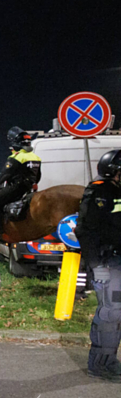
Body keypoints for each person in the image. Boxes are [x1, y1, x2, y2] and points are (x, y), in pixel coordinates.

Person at [75, 149, 121, 381]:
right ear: (113, 172)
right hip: (108, 263)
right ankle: (100, 364)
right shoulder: (99, 192)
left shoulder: (116, 192)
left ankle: (109, 361)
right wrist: (96, 264)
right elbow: (84, 230)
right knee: (111, 313)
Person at [0, 126, 42, 240]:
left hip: (16, 188)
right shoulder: (36, 157)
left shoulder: (16, 157)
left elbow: (4, 175)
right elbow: (38, 177)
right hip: (28, 188)